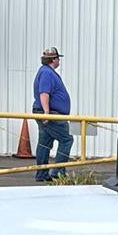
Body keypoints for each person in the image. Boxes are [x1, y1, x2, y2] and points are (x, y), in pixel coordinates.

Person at [32, 46, 73, 181]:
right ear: (53, 59)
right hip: (51, 114)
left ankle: (42, 174)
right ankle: (58, 172)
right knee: (66, 139)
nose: (59, 61)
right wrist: (47, 113)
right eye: (57, 59)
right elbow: (44, 93)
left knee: (45, 142)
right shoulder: (47, 73)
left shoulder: (45, 72)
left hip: (47, 112)